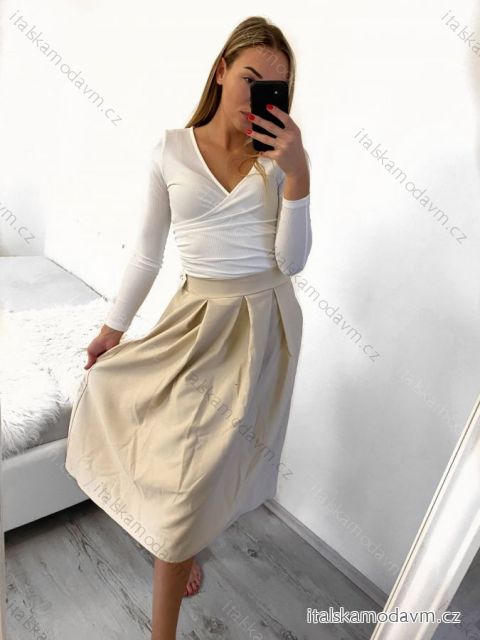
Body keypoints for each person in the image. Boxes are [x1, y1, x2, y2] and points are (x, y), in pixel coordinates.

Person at [64, 15, 312, 640]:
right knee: (176, 457)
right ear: (222, 71)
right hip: (195, 321)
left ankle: (177, 557)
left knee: (210, 464)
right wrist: (113, 329)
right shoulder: (171, 150)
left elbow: (291, 263)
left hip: (260, 326)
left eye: (275, 87)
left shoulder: (280, 160)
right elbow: (147, 255)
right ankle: (174, 567)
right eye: (250, 77)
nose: (258, 95)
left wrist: (299, 176)